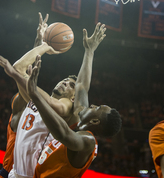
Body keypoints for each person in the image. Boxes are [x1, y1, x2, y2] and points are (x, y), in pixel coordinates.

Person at [24, 25, 122, 177]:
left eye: (97, 107)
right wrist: (89, 51)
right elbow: (82, 86)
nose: (93, 105)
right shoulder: (79, 119)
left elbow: (63, 134)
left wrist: (35, 96)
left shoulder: (88, 141)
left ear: (95, 121)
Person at [0, 12, 50, 178]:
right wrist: (40, 43)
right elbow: (25, 76)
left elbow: (28, 78)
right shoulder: (20, 108)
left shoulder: (40, 113)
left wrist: (39, 41)